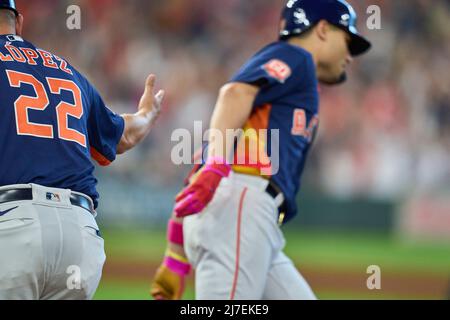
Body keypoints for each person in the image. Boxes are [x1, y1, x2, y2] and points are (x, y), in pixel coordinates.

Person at [151, 0, 370, 300]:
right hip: (241, 207)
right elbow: (233, 92)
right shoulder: (296, 57)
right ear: (321, 29)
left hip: (245, 216)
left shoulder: (276, 95)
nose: (350, 55)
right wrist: (217, 164)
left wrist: (175, 255)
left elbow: (197, 176)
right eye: (348, 40)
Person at [0, 0, 164, 300]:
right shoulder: (66, 70)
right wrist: (147, 114)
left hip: (10, 227)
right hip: (80, 235)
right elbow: (120, 137)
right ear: (19, 23)